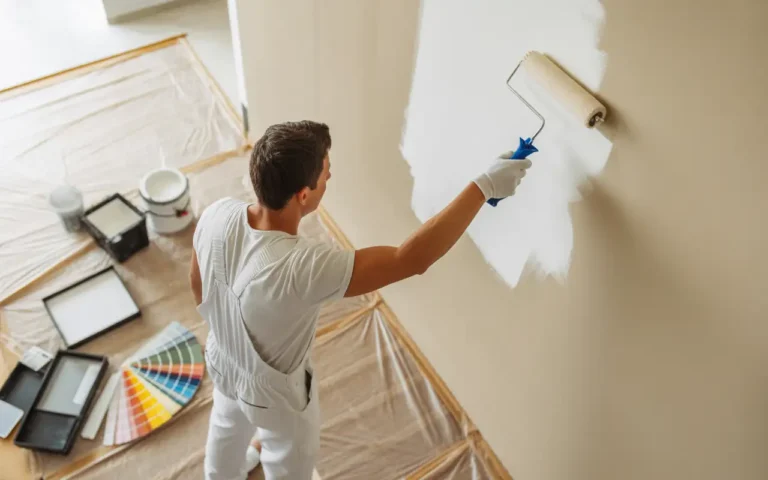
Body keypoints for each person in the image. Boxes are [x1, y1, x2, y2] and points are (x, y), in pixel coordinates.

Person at [190, 120, 530, 480]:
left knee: (226, 429)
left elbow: (198, 285)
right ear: (304, 195)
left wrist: (234, 336)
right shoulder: (304, 266)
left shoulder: (217, 214)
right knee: (288, 459)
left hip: (221, 361)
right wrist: (483, 187)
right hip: (274, 399)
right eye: (326, 174)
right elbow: (409, 259)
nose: (330, 177)